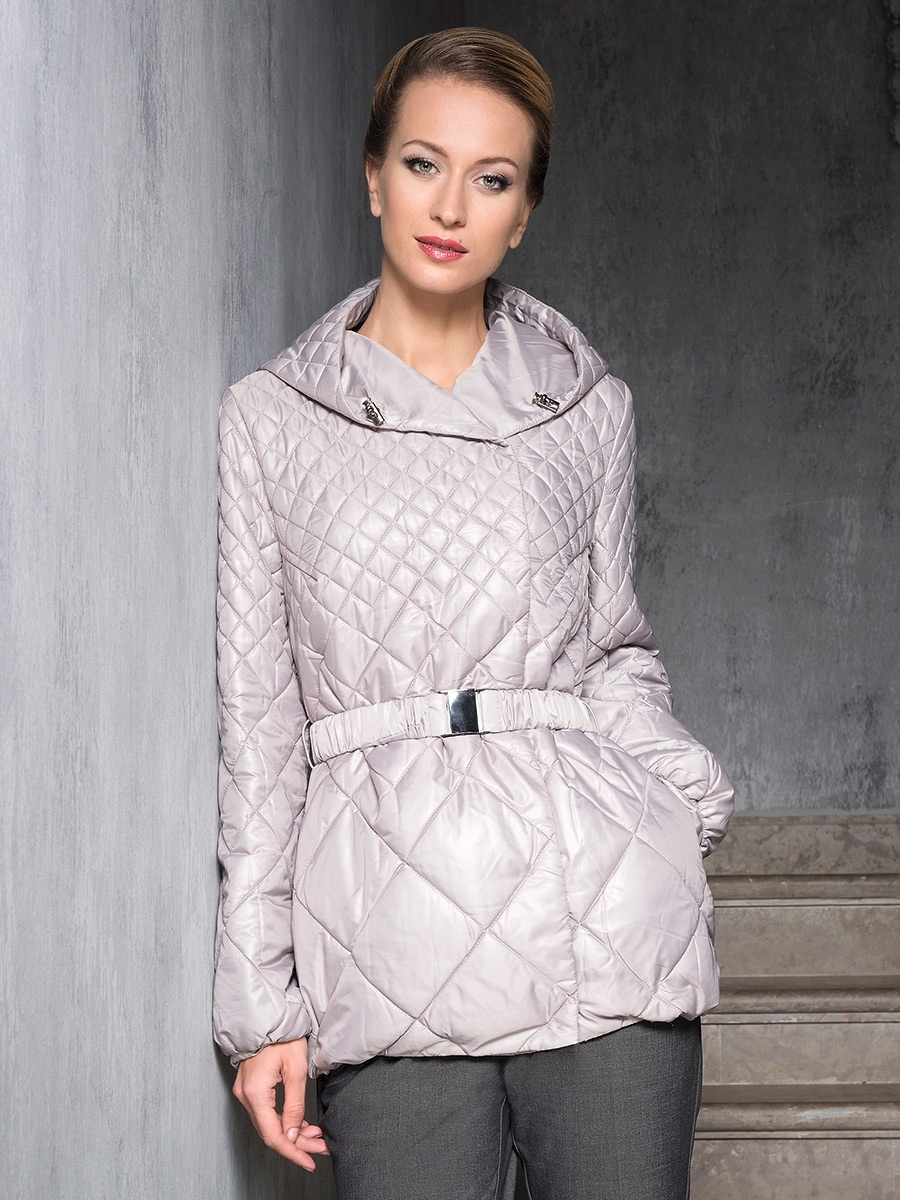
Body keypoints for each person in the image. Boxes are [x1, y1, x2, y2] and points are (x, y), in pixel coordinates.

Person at [214, 26, 733, 1200]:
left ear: (524, 213)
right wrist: (260, 1003)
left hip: (600, 915)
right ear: (372, 176)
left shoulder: (589, 407)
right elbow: (260, 733)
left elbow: (612, 653)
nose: (450, 206)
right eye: (421, 163)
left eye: (491, 178)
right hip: (382, 939)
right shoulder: (271, 421)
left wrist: (680, 785)